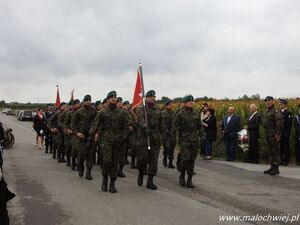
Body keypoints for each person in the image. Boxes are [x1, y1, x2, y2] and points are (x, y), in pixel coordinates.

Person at [89, 91, 128, 193]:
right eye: (111, 97)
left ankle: (112, 183)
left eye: (115, 97)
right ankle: (105, 179)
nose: (114, 99)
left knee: (115, 162)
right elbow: (95, 124)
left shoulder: (122, 112)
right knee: (107, 161)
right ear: (108, 99)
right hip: (106, 139)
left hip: (118, 140)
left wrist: (123, 137)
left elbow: (126, 126)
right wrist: (91, 135)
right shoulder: (103, 112)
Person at [173, 94, 205, 188]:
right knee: (185, 159)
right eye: (189, 101)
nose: (191, 103)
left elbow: (200, 126)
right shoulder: (180, 113)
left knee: (192, 159)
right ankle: (182, 175)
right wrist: (174, 135)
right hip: (184, 140)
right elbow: (174, 125)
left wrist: (202, 135)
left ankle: (190, 179)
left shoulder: (196, 113)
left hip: (194, 140)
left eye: (192, 101)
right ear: (184, 103)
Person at [136, 90, 163, 190]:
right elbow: (140, 118)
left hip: (155, 138)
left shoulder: (158, 109)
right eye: (150, 96)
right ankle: (141, 173)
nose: (152, 98)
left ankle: (150, 181)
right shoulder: (141, 108)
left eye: (153, 97)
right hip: (144, 138)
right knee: (143, 159)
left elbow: (161, 123)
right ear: (146, 98)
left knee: (153, 160)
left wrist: (162, 134)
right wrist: (144, 126)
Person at [71, 95, 96, 180]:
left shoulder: (94, 112)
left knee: (90, 155)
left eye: (90, 100)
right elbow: (73, 124)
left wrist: (96, 133)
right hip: (81, 137)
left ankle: (88, 172)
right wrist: (77, 133)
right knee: (81, 155)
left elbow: (97, 123)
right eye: (87, 100)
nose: (89, 102)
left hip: (91, 136)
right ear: (84, 101)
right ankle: (81, 168)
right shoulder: (78, 112)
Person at [263, 96, 283, 176]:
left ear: (273, 101)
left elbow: (280, 123)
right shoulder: (267, 111)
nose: (268, 102)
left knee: (275, 151)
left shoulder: (276, 111)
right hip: (269, 135)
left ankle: (276, 168)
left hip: (274, 135)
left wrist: (278, 134)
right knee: (271, 151)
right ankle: (272, 167)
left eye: (269, 101)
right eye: (266, 101)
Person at [162, 99, 176, 168]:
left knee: (172, 148)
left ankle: (170, 162)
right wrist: (166, 130)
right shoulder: (163, 113)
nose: (171, 106)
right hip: (166, 134)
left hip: (172, 133)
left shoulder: (173, 113)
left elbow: (175, 123)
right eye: (170, 104)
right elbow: (162, 123)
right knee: (167, 147)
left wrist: (173, 130)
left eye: (171, 104)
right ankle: (165, 158)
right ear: (166, 105)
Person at [278, 99, 293, 166]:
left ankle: (286, 161)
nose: (279, 105)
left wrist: (287, 133)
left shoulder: (288, 113)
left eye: (280, 104)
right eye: (279, 104)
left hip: (285, 134)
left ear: (284, 105)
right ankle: (281, 160)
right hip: (279, 134)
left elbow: (288, 125)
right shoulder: (278, 112)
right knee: (280, 147)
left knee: (286, 148)